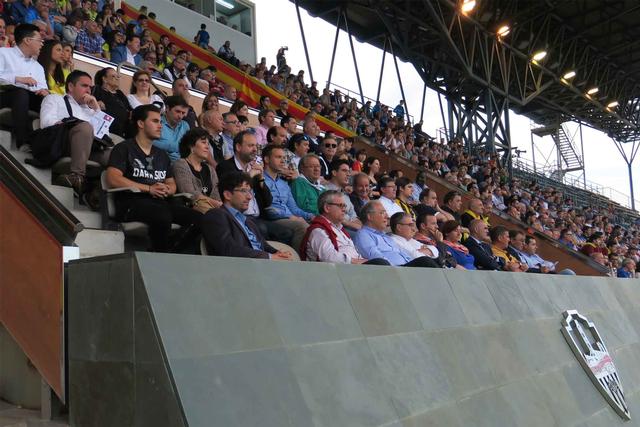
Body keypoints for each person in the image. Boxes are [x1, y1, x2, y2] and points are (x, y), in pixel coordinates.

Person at [106, 104, 202, 252]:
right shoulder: (124, 148)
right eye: (155, 121)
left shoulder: (161, 155)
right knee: (161, 215)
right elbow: (113, 178)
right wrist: (149, 189)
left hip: (160, 203)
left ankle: (172, 252)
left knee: (199, 219)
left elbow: (171, 183)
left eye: (161, 122)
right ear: (141, 123)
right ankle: (160, 254)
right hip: (130, 202)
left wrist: (168, 189)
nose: (160, 126)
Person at [39, 70, 111, 194]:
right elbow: (46, 122)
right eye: (84, 86)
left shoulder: (91, 110)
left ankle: (105, 192)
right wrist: (69, 124)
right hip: (63, 144)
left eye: (90, 87)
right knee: (85, 128)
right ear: (71, 86)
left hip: (89, 148)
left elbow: (105, 135)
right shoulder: (54, 99)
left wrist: (97, 109)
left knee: (117, 154)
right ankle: (76, 176)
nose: (88, 90)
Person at [201, 171, 292, 260]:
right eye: (243, 191)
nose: (249, 197)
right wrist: (270, 257)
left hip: (261, 264)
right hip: (241, 267)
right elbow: (228, 249)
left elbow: (263, 245)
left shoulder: (248, 221)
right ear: (227, 195)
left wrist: (278, 253)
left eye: (250, 191)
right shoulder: (215, 215)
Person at [300, 190, 389, 264]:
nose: (344, 209)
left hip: (352, 269)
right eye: (340, 205)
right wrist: (357, 262)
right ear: (327, 208)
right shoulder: (318, 231)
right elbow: (329, 258)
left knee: (381, 263)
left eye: (344, 206)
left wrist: (362, 261)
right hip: (338, 273)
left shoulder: (340, 230)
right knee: (381, 263)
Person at [0, 24, 49, 149]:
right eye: (39, 40)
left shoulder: (38, 66)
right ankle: (22, 142)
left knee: (50, 101)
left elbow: (42, 87)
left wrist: (44, 92)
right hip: (5, 95)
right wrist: (19, 79)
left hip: (29, 97)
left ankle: (46, 147)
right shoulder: (3, 53)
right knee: (21, 93)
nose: (42, 44)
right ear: (27, 40)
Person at [353, 201, 440, 267]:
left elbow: (404, 254)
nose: (387, 216)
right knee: (425, 261)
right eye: (382, 213)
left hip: (405, 267)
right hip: (392, 270)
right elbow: (376, 257)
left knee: (426, 261)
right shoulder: (363, 234)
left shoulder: (385, 236)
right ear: (369, 217)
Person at [262, 144, 312, 251]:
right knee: (302, 227)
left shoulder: (284, 184)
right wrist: (289, 216)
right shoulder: (260, 180)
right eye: (278, 157)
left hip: (289, 218)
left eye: (284, 158)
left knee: (318, 227)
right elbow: (267, 209)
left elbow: (294, 208)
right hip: (273, 219)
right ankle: (295, 259)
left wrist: (311, 216)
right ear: (266, 159)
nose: (283, 161)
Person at [173, 128, 222, 213]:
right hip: (191, 209)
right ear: (191, 146)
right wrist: (216, 204)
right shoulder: (180, 165)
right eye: (203, 142)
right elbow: (189, 193)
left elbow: (216, 194)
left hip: (212, 210)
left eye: (208, 144)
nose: (207, 147)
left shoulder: (210, 169)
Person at [325, 159, 362, 231]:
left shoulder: (345, 194)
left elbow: (354, 217)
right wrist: (359, 228)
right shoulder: (325, 191)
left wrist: (363, 228)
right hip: (336, 229)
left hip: (351, 228)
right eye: (344, 171)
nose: (348, 174)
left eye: (348, 172)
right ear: (334, 173)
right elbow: (336, 218)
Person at [93, 67, 130, 138]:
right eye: (113, 76)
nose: (117, 78)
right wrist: (96, 102)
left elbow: (128, 108)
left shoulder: (119, 93)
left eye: (118, 76)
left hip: (122, 132)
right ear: (104, 79)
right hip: (105, 131)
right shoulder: (97, 89)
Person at [153, 95, 190, 162]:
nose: (180, 116)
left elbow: (188, 148)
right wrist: (177, 147)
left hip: (181, 163)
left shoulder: (185, 126)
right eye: (177, 111)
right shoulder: (157, 122)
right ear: (167, 108)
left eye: (183, 113)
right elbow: (150, 142)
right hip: (159, 161)